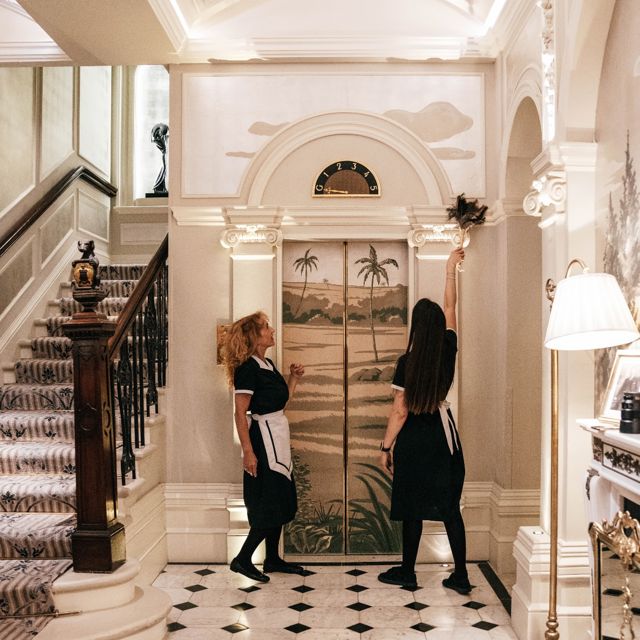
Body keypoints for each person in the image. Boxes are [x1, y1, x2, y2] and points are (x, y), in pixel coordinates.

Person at [378, 247, 472, 593]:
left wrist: (385, 447)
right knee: (450, 508)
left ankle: (408, 571)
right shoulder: (448, 349)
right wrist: (450, 269)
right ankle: (461, 575)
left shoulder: (408, 362)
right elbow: (451, 307)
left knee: (411, 507)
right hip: (444, 437)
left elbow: (400, 411)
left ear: (416, 327)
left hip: (415, 440)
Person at [223, 311, 305, 582]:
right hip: (263, 440)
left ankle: (272, 559)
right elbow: (240, 413)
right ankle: (243, 559)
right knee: (270, 499)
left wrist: (293, 378)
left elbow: (280, 402)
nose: (272, 330)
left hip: (277, 435)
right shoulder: (247, 368)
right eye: (267, 327)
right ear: (254, 336)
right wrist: (248, 452)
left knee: (280, 497)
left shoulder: (267, 364)